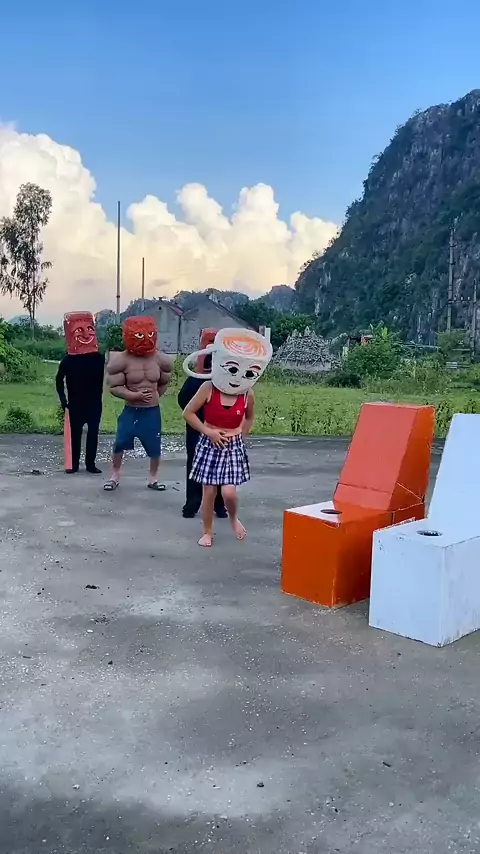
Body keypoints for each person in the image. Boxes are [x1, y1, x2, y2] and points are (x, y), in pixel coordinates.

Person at [182, 328, 273, 547]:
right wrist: (209, 432)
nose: (238, 377)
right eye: (232, 369)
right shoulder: (208, 387)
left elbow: (249, 417)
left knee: (229, 492)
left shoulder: (247, 394)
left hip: (233, 445)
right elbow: (188, 413)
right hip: (209, 444)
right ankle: (207, 532)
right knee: (209, 491)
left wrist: (241, 435)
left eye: (248, 373)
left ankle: (233, 518)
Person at [103, 316, 173, 491]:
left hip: (151, 411)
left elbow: (164, 381)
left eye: (149, 334)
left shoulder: (159, 359)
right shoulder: (121, 360)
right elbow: (114, 387)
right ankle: (114, 475)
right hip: (131, 410)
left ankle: (153, 478)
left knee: (154, 445)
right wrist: (133, 395)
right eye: (141, 335)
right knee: (120, 443)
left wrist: (155, 396)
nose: (146, 339)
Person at [177, 351, 227, 519]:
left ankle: (200, 506)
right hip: (204, 428)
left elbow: (182, 400)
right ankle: (208, 506)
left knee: (205, 466)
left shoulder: (198, 380)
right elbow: (183, 401)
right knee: (208, 466)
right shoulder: (199, 380)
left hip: (208, 428)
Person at [56, 311, 105, 474]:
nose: (85, 334)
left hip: (94, 403)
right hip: (76, 403)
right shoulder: (68, 360)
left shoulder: (98, 358)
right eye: (79, 330)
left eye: (89, 329)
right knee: (75, 434)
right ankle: (74, 464)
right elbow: (59, 380)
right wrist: (64, 401)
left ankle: (90, 464)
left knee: (93, 433)